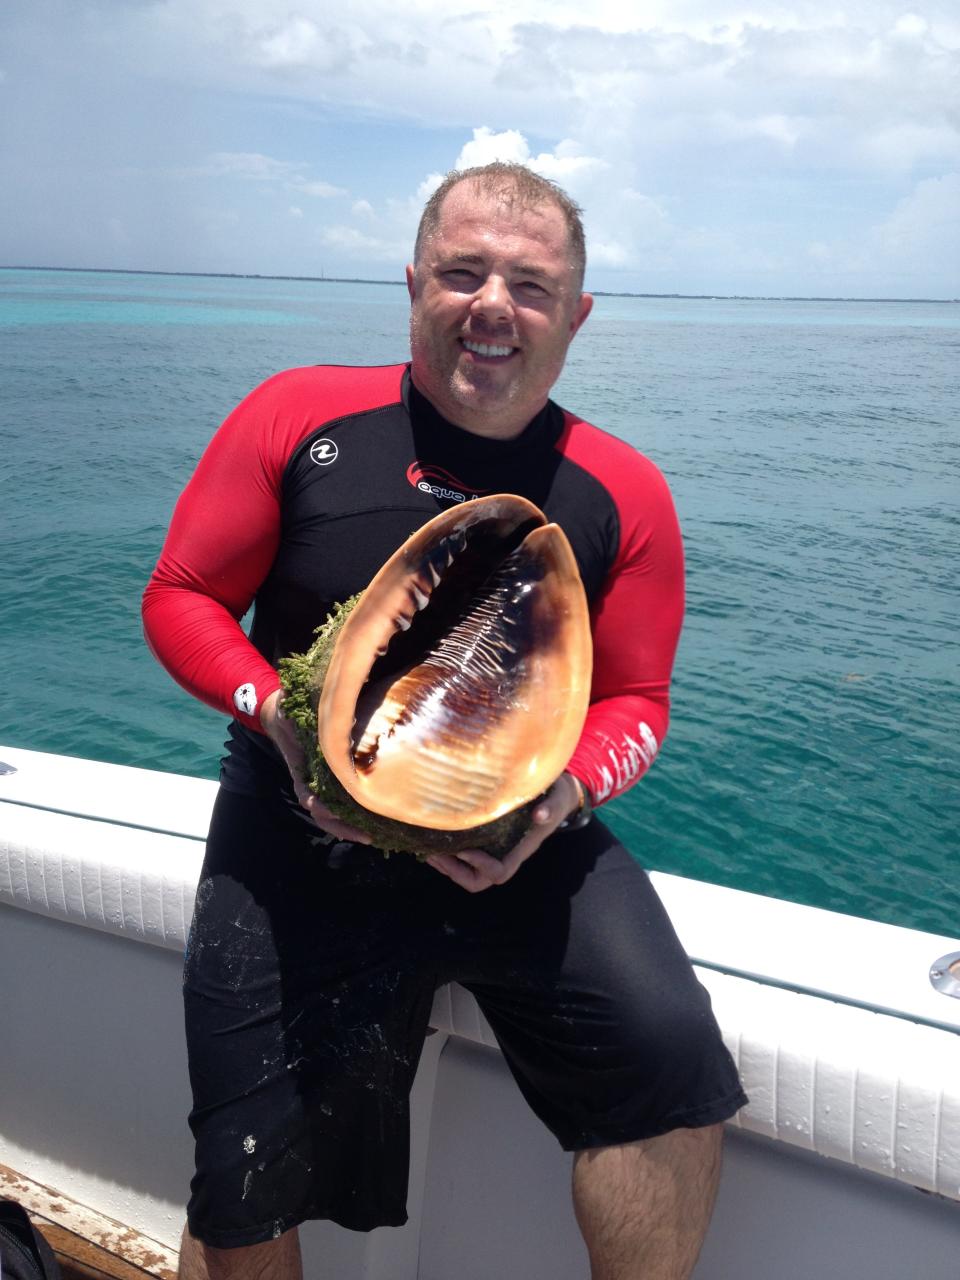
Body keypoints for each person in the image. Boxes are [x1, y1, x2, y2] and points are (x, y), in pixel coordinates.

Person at [143, 161, 747, 1280]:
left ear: (577, 313)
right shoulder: (300, 415)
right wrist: (278, 714)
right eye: (463, 272)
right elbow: (181, 594)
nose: (493, 305)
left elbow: (634, 702)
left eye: (530, 283)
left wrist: (564, 792)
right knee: (243, 1169)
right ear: (414, 282)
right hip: (296, 818)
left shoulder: (625, 491)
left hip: (515, 827)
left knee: (669, 1060)